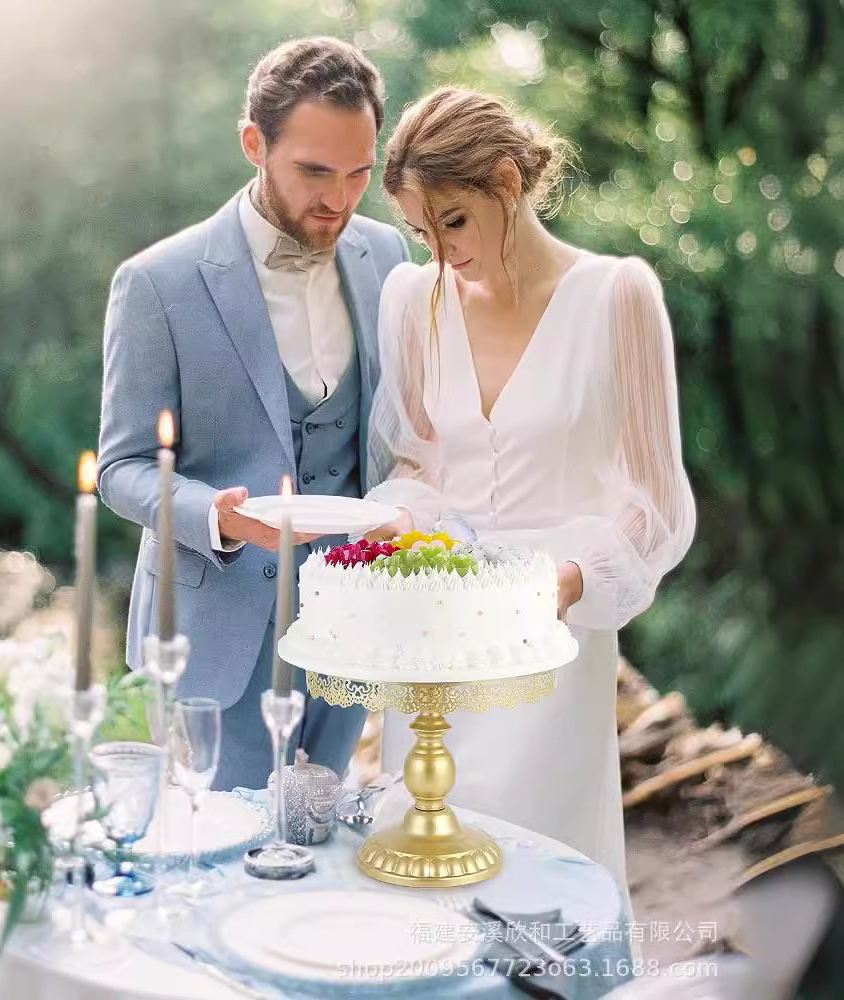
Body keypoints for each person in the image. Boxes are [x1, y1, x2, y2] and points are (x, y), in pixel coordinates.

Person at [365, 87, 696, 887]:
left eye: (452, 222)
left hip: (554, 640)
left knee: (539, 886)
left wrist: (569, 579)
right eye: (419, 230)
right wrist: (404, 528)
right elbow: (417, 463)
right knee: (426, 871)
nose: (439, 253)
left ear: (508, 184)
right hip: (437, 634)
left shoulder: (617, 295)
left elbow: (655, 501)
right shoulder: (414, 299)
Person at [97, 37, 409, 791]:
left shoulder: (391, 257)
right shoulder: (156, 284)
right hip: (216, 638)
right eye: (313, 171)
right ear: (253, 145)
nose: (338, 199)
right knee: (223, 867)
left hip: (351, 628)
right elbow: (121, 469)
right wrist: (219, 516)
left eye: (359, 173)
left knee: (320, 847)